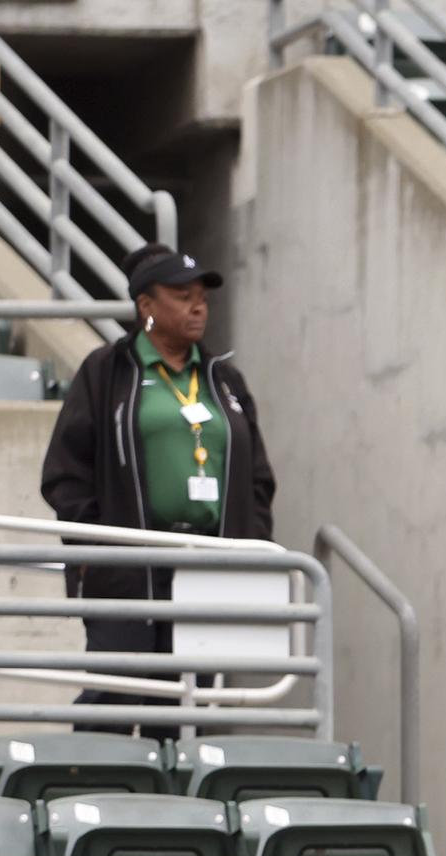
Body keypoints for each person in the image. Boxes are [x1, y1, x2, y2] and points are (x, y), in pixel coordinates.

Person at [38, 244, 276, 689]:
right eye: (182, 294)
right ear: (145, 305)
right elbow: (65, 473)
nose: (199, 304)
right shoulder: (107, 372)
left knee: (187, 707)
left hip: (208, 568)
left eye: (202, 294)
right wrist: (96, 548)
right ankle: (87, 763)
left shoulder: (223, 379)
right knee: (115, 700)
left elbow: (258, 477)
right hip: (128, 569)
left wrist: (253, 539)